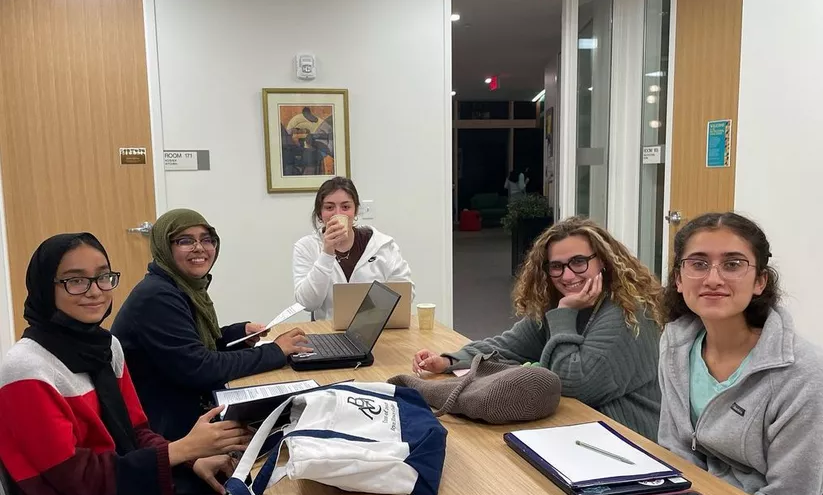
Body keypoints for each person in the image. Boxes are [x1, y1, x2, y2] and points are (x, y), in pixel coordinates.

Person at [0, 233, 252, 495]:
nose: (95, 290)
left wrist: (191, 460)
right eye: (75, 280)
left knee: (245, 493)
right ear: (47, 287)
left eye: (103, 276)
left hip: (121, 493)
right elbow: (78, 482)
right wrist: (180, 451)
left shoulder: (106, 347)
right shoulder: (25, 369)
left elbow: (137, 432)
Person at [413, 216, 664, 440]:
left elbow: (574, 386)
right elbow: (507, 346)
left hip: (629, 445)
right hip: (581, 429)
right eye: (557, 266)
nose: (567, 276)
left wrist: (565, 314)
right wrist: (449, 360)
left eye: (579, 262)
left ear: (604, 263)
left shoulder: (627, 313)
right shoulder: (561, 306)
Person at [657, 212, 823, 495]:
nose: (713, 279)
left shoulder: (803, 371)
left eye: (732, 264)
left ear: (760, 281)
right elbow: (675, 451)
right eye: (698, 263)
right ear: (679, 279)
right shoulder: (675, 344)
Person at [112, 209, 311, 442]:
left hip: (183, 404)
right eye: (185, 241)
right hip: (165, 430)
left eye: (207, 240)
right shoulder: (157, 296)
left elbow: (191, 347)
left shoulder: (182, 286)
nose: (199, 248)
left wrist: (235, 335)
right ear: (164, 247)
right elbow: (200, 367)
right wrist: (275, 351)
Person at [292, 176, 414, 320]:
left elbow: (406, 294)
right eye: (329, 207)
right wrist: (327, 253)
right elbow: (307, 304)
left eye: (346, 207)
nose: (338, 214)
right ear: (320, 214)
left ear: (355, 212)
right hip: (327, 332)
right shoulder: (306, 247)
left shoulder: (382, 245)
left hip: (374, 328)